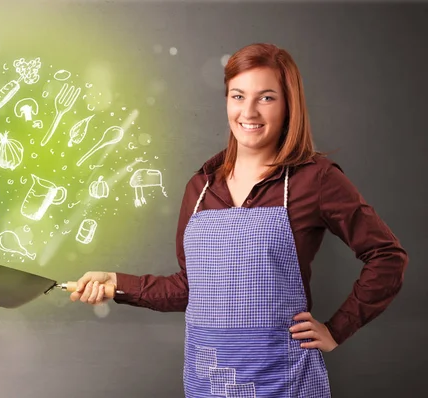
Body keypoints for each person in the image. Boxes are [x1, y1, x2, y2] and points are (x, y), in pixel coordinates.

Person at [69, 43, 408, 398]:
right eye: (238, 95)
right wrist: (116, 283)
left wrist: (338, 329)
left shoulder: (315, 179)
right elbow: (191, 288)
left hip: (284, 382)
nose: (249, 111)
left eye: (266, 98)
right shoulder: (200, 187)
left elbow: (387, 257)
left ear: (289, 104)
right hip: (207, 382)